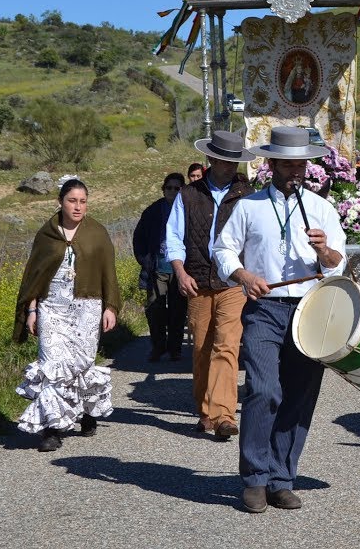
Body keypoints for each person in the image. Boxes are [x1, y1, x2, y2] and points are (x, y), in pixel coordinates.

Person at [211, 126, 347, 514]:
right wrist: (244, 277)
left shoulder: (322, 209)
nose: (294, 171)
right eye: (287, 164)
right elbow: (223, 251)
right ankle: (254, 477)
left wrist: (326, 253)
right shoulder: (250, 207)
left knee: (300, 395)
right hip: (265, 308)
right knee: (264, 389)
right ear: (271, 164)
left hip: (311, 309)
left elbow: (339, 266)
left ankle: (281, 478)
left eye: (299, 164)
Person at [13, 176, 121, 452]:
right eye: (72, 201)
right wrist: (32, 310)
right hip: (52, 308)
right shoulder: (46, 235)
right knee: (52, 366)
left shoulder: (97, 232)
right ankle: (52, 428)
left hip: (87, 306)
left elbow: (109, 271)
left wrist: (110, 306)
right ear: (60, 202)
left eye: (82, 202)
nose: (77, 207)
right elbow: (34, 276)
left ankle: (86, 412)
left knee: (81, 364)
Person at [166, 131, 255, 440]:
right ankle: (206, 412)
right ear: (211, 159)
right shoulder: (189, 195)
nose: (230, 166)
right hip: (198, 279)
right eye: (225, 160)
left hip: (233, 281)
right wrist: (180, 272)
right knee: (202, 348)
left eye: (235, 161)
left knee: (226, 344)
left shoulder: (248, 195)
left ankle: (224, 415)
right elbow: (174, 237)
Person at [133, 173, 187, 361]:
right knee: (155, 308)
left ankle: (175, 348)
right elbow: (139, 238)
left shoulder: (187, 210)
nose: (172, 191)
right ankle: (158, 346)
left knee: (177, 310)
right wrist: (146, 261)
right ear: (163, 189)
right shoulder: (152, 211)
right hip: (158, 268)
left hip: (180, 270)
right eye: (169, 188)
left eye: (177, 188)